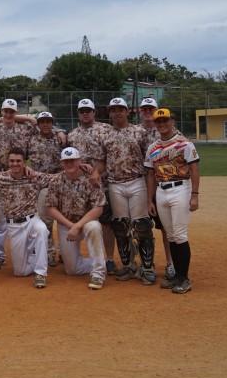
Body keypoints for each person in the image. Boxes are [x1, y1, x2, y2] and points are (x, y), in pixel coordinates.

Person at [145, 108, 200, 294]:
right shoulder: (152, 148)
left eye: (165, 121)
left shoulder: (185, 144)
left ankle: (184, 278)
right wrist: (149, 200)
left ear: (173, 121)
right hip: (161, 191)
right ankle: (177, 275)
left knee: (180, 234)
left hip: (180, 189)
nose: (162, 124)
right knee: (170, 235)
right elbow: (151, 175)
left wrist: (195, 195)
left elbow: (194, 169)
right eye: (158, 122)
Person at [102, 97, 156, 284]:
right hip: (115, 183)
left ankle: (147, 266)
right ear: (110, 112)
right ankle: (128, 265)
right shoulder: (105, 134)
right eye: (113, 109)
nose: (117, 113)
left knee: (141, 225)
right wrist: (94, 173)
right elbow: (102, 160)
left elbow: (150, 160)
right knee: (120, 226)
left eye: (120, 109)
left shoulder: (139, 132)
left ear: (127, 112)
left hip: (136, 181)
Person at [45, 147, 107, 290]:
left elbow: (98, 208)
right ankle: (100, 261)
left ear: (79, 161)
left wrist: (78, 225)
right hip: (66, 225)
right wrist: (71, 226)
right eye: (66, 161)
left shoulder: (91, 178)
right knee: (72, 270)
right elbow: (50, 208)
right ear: (62, 163)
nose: (69, 164)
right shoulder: (56, 180)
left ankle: (98, 273)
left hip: (86, 222)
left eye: (72, 160)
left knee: (94, 227)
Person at [0, 149, 50, 288]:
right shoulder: (1, 179)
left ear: (24, 162)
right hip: (14, 225)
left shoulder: (33, 176)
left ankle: (41, 273)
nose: (15, 164)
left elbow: (58, 178)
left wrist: (82, 167)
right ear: (7, 162)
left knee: (41, 229)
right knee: (20, 272)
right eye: (12, 161)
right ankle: (36, 255)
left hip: (32, 219)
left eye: (18, 161)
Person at [67, 98, 116, 273]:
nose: (85, 113)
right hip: (79, 187)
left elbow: (111, 155)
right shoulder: (72, 135)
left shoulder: (106, 130)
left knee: (106, 222)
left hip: (102, 183)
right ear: (78, 114)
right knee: (78, 218)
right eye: (82, 111)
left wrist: (98, 171)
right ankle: (72, 254)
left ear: (94, 112)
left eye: (88, 110)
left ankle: (109, 258)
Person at [0, 98, 36, 268]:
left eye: (11, 111)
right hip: (1, 175)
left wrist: (25, 118)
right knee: (0, 219)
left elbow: (37, 122)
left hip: (21, 178)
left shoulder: (24, 129)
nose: (8, 114)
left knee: (21, 215)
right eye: (5, 111)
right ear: (1, 112)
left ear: (16, 113)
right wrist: (0, 120)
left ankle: (28, 251)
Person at [138, 97, 176, 282]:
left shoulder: (167, 131)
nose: (147, 112)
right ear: (139, 111)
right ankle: (146, 265)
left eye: (150, 109)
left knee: (166, 228)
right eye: (144, 109)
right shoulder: (133, 131)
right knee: (142, 228)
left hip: (162, 185)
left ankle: (171, 263)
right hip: (139, 185)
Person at [28, 111, 63, 267]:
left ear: (52, 123)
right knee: (45, 220)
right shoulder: (31, 140)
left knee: (64, 219)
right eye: (42, 121)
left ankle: (64, 251)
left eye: (48, 121)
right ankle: (48, 252)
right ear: (38, 124)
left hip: (61, 183)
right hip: (41, 185)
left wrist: (61, 132)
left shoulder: (61, 138)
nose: (45, 124)